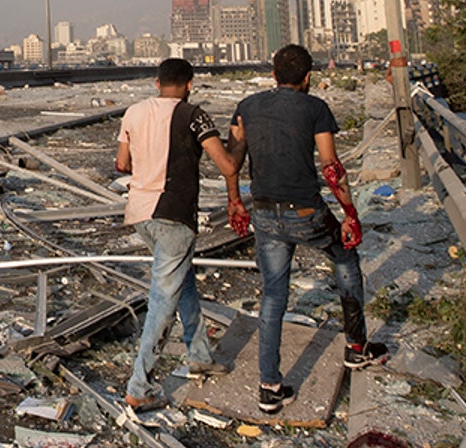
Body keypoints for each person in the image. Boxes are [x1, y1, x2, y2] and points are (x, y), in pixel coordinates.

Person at [228, 44, 388, 415]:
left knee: (273, 296)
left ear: (272, 74)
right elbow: (331, 166)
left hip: (265, 213)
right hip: (307, 211)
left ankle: (269, 386)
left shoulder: (248, 107)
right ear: (307, 77)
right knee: (345, 259)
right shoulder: (316, 108)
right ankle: (357, 347)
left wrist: (235, 201)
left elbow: (232, 161)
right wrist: (350, 214)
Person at [115, 57, 248, 409]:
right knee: (162, 301)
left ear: (156, 83)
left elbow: (121, 164)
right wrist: (239, 140)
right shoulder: (194, 114)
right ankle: (139, 387)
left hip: (142, 213)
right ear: (190, 84)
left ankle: (200, 355)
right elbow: (228, 165)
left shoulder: (133, 112)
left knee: (183, 281)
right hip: (174, 214)